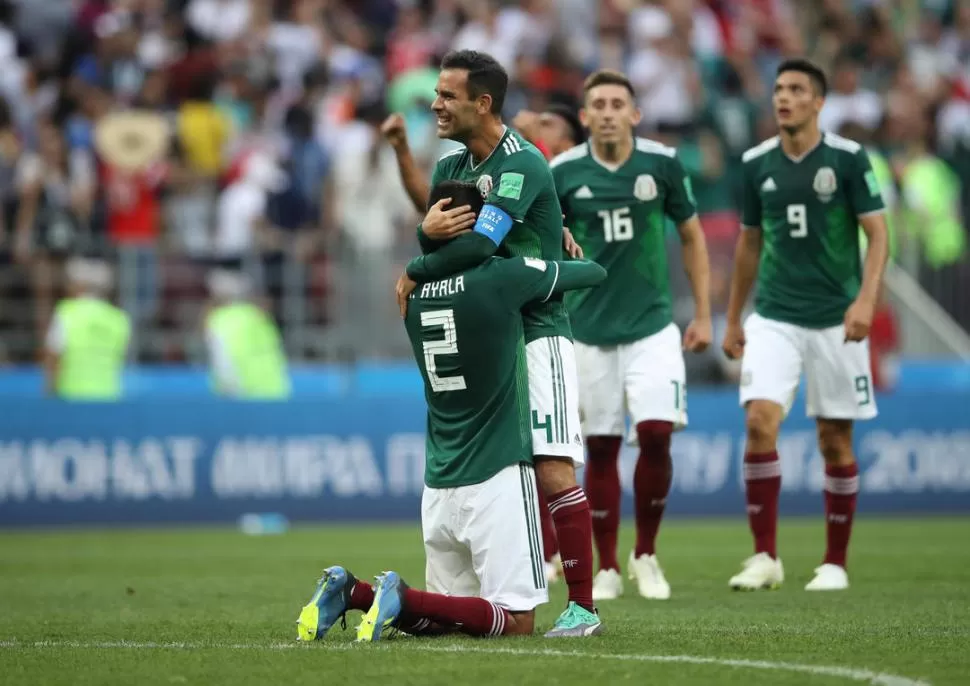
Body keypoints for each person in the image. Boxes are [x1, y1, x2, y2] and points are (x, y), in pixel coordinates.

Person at [296, 180, 607, 642]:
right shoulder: (506, 278)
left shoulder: (410, 294)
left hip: (440, 480)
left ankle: (355, 592)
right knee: (516, 622)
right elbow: (593, 272)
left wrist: (425, 251)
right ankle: (396, 591)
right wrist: (549, 241)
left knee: (452, 619)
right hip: (497, 473)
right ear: (482, 225)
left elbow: (445, 269)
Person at [393, 50, 600, 636]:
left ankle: (582, 605)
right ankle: (482, 600)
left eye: (447, 95)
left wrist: (415, 258)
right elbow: (441, 249)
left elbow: (480, 248)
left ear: (482, 103)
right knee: (492, 467)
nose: (434, 103)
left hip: (536, 330)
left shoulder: (523, 164)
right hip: (484, 335)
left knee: (553, 465)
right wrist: (423, 240)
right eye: (436, 92)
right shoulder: (451, 165)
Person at [721, 59, 889, 592]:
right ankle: (765, 556)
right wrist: (733, 317)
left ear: (818, 101)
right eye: (778, 89)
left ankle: (834, 562)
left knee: (834, 440)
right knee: (758, 423)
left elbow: (878, 235)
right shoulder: (755, 163)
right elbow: (749, 242)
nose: (783, 98)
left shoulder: (846, 159)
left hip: (836, 319)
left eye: (796, 90)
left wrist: (866, 301)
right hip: (774, 316)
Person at [550, 69, 713, 601]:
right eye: (597, 103)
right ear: (584, 116)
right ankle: (608, 567)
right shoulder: (563, 172)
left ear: (635, 114)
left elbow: (691, 235)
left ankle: (646, 553)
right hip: (589, 331)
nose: (608, 111)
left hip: (651, 327)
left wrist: (705, 313)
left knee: (657, 434)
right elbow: (541, 238)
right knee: (598, 448)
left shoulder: (663, 165)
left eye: (618, 102)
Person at [43, 257, 130, 400]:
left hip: (70, 399)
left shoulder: (66, 313)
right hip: (108, 398)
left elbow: (53, 358)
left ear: (79, 285)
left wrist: (49, 392)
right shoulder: (119, 319)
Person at [204, 268, 290, 400]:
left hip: (243, 396)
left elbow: (222, 360)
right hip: (275, 393)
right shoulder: (260, 317)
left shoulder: (219, 321)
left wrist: (229, 393)